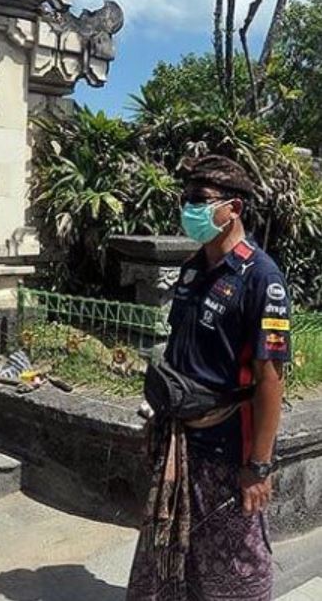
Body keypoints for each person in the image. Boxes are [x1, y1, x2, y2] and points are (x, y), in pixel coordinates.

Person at [127, 155, 291, 601]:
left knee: (236, 568)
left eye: (200, 201)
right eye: (186, 200)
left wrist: (258, 465)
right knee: (172, 554)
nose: (189, 210)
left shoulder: (261, 279)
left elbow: (270, 378)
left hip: (228, 449)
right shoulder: (195, 267)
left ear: (234, 208)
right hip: (181, 442)